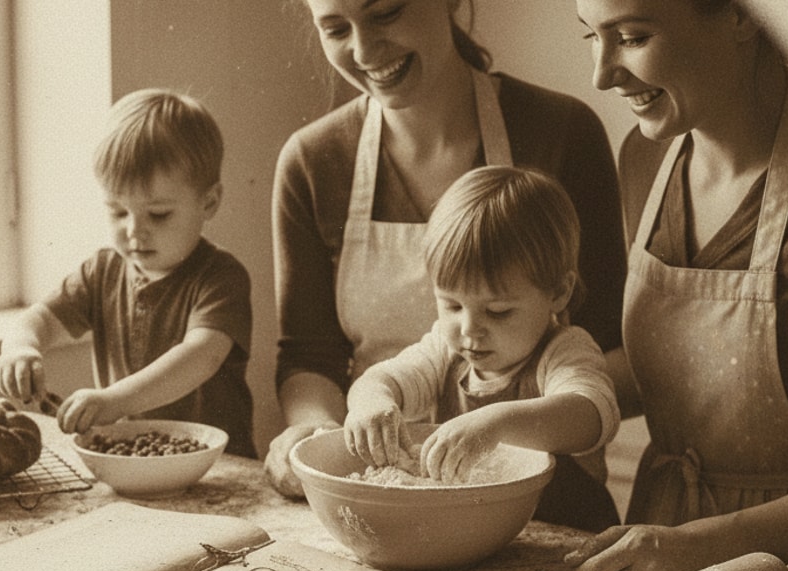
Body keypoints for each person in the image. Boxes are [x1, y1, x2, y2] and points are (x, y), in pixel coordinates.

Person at [567, 0, 788, 571]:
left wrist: (702, 545)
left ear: (744, 17)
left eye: (633, 37)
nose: (602, 73)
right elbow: (685, 376)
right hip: (660, 553)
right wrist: (531, 396)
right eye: (593, 36)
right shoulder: (644, 159)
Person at [266, 0, 628, 496]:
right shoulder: (310, 161)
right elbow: (310, 356)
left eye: (386, 13)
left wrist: (498, 420)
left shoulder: (562, 132)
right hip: (389, 483)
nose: (364, 50)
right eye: (334, 29)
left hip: (542, 496)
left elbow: (608, 345)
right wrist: (325, 439)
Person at [344, 165, 621, 531]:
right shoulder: (444, 351)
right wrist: (371, 404)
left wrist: (495, 425)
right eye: (452, 306)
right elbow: (382, 379)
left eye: (498, 311)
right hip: (470, 534)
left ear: (558, 293)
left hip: (564, 540)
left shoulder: (564, 350)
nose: (469, 329)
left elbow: (590, 416)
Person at [0, 88, 257, 458]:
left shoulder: (220, 278)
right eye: (118, 211)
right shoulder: (102, 270)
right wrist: (20, 348)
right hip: (132, 458)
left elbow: (201, 356)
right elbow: (39, 319)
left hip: (217, 465)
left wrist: (112, 400)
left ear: (208, 203)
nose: (134, 230)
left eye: (158, 214)